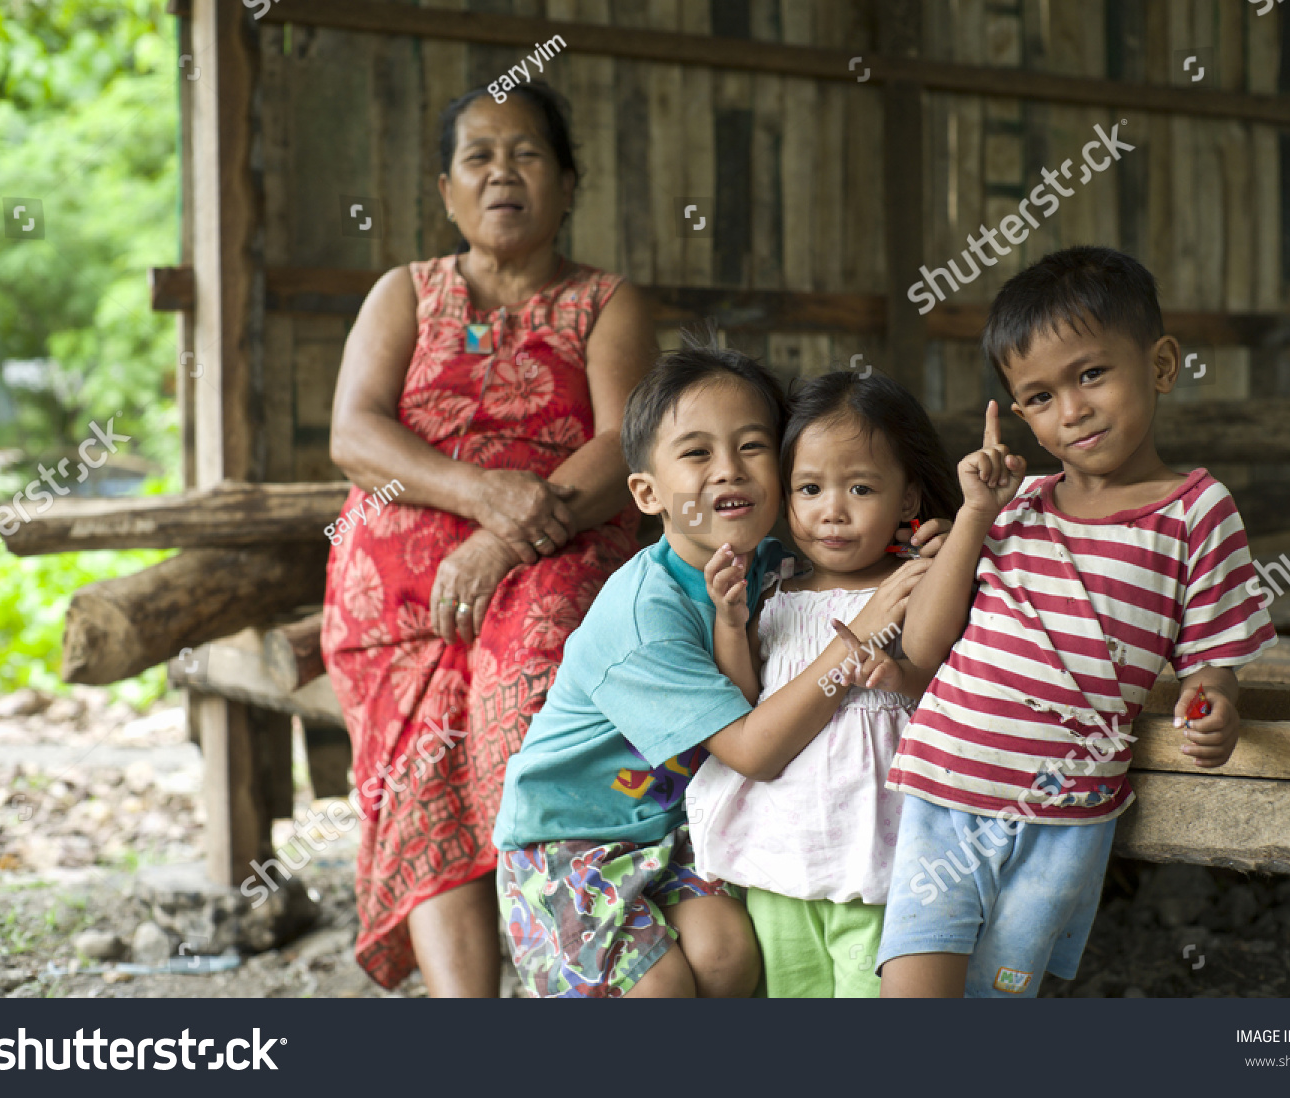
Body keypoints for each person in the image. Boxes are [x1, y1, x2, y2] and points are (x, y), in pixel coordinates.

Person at [321, 82, 658, 995]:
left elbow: (628, 439)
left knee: (530, 676)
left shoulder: (606, 303)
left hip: (555, 551)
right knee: (428, 750)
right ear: (446, 190)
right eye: (479, 156)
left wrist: (509, 536)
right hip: (399, 600)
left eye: (527, 154)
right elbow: (354, 434)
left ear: (568, 184)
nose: (502, 172)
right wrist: (480, 494)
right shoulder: (404, 293)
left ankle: (570, 965)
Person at [877, 245, 1277, 998]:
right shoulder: (1013, 507)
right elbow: (925, 645)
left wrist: (1216, 702)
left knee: (1000, 1000)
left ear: (1160, 365)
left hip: (1067, 815)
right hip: (946, 788)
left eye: (1091, 374)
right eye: (1037, 397)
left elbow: (1210, 655)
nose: (1071, 411)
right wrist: (973, 518)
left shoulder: (1197, 512)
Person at [490, 336, 936, 997]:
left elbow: (869, 547)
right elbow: (752, 751)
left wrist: (940, 542)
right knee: (659, 988)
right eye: (698, 452)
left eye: (752, 446)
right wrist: (860, 638)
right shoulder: (646, 619)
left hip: (674, 828)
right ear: (646, 492)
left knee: (729, 957)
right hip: (571, 842)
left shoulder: (771, 563)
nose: (729, 469)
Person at [687, 370, 961, 997]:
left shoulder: (915, 585)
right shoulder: (777, 592)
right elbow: (746, 702)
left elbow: (947, 685)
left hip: (880, 856)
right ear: (786, 496)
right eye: (809, 488)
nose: (831, 511)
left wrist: (951, 561)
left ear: (909, 497)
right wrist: (732, 624)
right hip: (779, 856)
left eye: (861, 487)